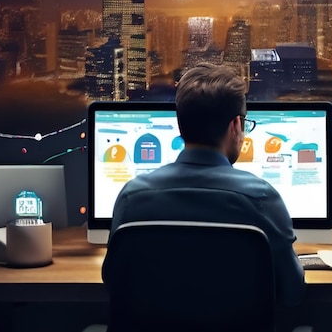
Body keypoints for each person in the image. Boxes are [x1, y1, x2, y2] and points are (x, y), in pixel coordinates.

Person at [103, 62, 305, 306]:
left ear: (181, 125)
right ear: (236, 126)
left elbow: (113, 281)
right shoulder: (262, 199)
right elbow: (292, 289)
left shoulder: (131, 198)